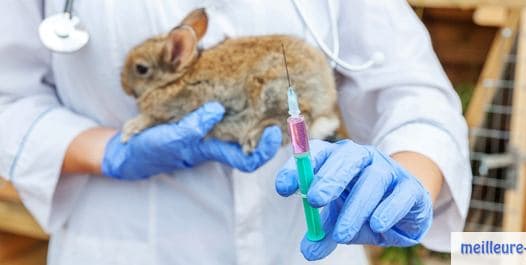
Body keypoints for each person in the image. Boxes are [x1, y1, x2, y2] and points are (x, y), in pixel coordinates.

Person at [0, 0, 471, 264]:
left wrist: (406, 178)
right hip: (128, 243)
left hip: (306, 237)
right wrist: (110, 152)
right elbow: (7, 98)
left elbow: (411, 88)